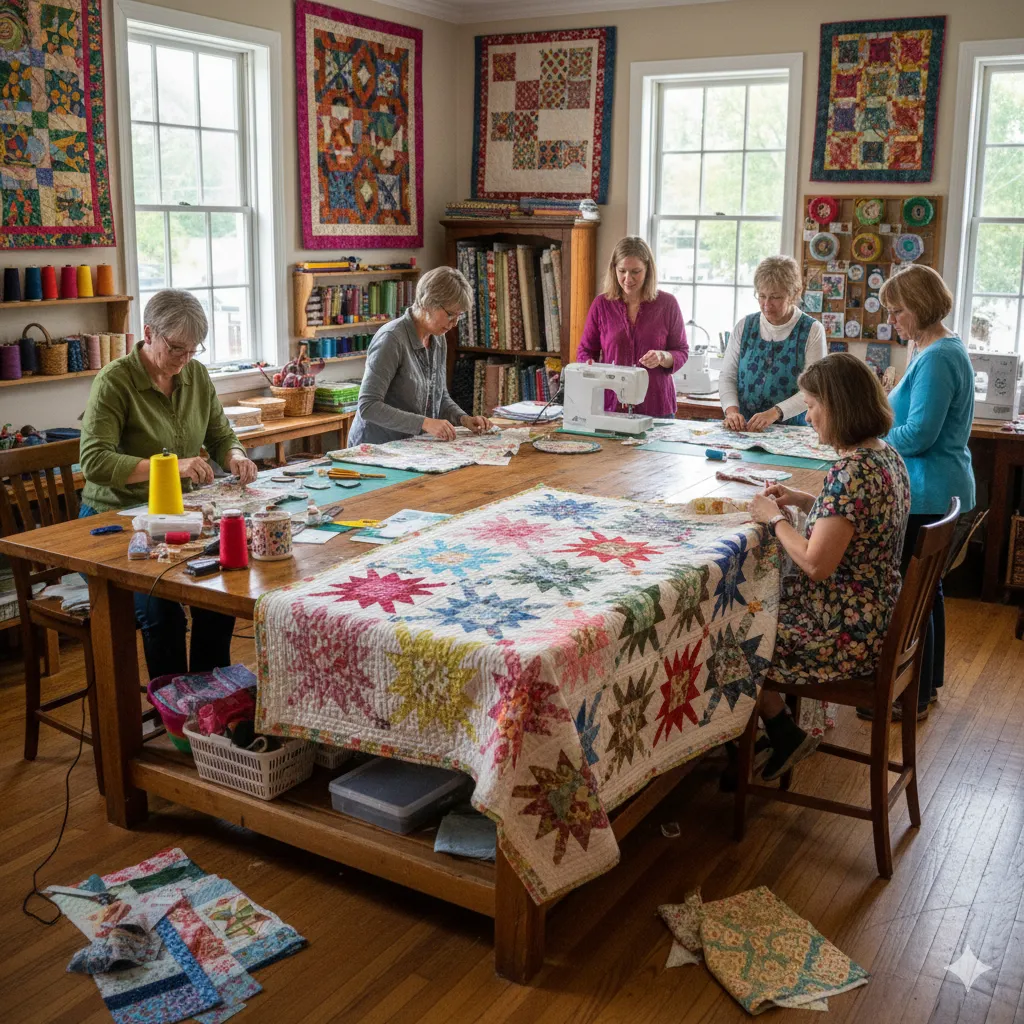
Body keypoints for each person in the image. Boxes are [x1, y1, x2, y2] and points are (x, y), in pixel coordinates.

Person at [79, 289, 257, 680]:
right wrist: (171, 467)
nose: (184, 359)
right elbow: (93, 462)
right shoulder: (115, 382)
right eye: (176, 348)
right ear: (148, 332)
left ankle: (210, 700)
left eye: (194, 350)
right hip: (115, 518)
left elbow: (220, 434)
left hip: (178, 517)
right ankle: (174, 709)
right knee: (163, 612)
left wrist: (235, 457)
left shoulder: (194, 373)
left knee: (219, 596)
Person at [748, 353, 910, 781]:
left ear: (837, 407)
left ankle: (775, 731)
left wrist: (774, 518)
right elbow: (852, 520)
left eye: (813, 407)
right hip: (878, 615)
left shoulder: (850, 473)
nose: (808, 419)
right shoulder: (885, 457)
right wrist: (802, 500)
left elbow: (816, 564)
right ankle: (767, 733)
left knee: (739, 632)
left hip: (845, 632)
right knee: (749, 613)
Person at [874, 264, 975, 719]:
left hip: (929, 492)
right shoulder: (936, 347)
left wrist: (868, 436)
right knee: (926, 595)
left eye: (897, 311)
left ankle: (910, 696)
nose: (893, 320)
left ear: (919, 306)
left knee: (913, 597)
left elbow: (918, 435)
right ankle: (924, 688)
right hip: (939, 488)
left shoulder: (936, 357)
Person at [349, 267, 490, 445]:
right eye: (450, 314)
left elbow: (439, 396)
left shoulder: (438, 339)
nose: (454, 323)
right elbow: (368, 406)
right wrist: (425, 423)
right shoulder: (391, 339)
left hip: (410, 445)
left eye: (459, 316)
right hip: (374, 447)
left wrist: (463, 419)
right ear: (427, 303)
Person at [576, 236, 688, 418]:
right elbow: (585, 350)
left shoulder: (667, 304)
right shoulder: (601, 305)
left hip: (657, 406)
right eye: (622, 271)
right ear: (614, 269)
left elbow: (681, 351)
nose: (628, 278)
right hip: (611, 406)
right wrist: (588, 364)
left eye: (636, 271)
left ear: (648, 270)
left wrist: (662, 356)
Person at [720, 256, 827, 432]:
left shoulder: (812, 330)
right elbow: (727, 376)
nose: (766, 304)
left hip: (792, 431)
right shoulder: (744, 326)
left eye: (775, 297)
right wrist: (731, 411)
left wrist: (775, 412)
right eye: (761, 296)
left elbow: (814, 389)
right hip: (744, 430)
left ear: (794, 294)